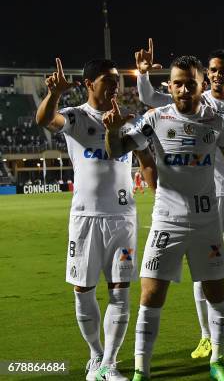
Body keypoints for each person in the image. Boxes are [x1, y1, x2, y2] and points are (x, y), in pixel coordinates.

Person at [105, 55, 224, 381]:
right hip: (167, 221)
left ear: (201, 85)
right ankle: (141, 370)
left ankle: (218, 363)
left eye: (189, 83)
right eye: (177, 83)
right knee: (151, 295)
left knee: (216, 293)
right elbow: (117, 149)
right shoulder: (154, 118)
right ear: (170, 85)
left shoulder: (217, 121)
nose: (182, 89)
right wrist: (111, 130)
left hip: (207, 223)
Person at [36, 58, 157, 381]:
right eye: (108, 80)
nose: (115, 86)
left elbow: (145, 160)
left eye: (117, 80)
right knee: (83, 290)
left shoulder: (128, 123)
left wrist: (158, 193)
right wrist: (55, 94)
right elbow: (45, 119)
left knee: (120, 291)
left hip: (122, 219)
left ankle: (110, 364)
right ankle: (95, 355)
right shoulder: (76, 117)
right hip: (85, 219)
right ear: (89, 84)